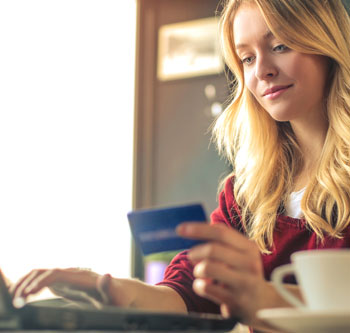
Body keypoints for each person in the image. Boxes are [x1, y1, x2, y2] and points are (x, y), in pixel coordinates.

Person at [9, 0, 350, 332]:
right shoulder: (245, 195)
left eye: (280, 46)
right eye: (247, 58)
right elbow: (185, 295)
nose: (262, 70)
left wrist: (262, 297)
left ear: (325, 42)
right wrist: (104, 287)